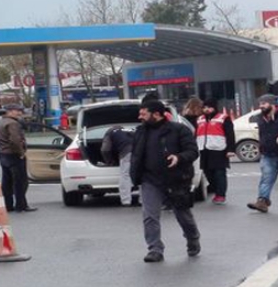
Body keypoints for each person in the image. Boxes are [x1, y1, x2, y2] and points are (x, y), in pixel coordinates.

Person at [130, 100, 201, 263]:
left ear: (156, 114)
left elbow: (192, 151)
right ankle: (155, 249)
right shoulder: (141, 132)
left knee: (182, 214)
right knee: (150, 215)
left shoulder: (179, 130)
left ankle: (193, 238)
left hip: (175, 179)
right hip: (149, 180)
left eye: (143, 113)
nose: (140, 116)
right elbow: (136, 154)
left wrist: (179, 157)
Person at [0, 104, 37, 213]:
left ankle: (8, 205)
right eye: (18, 111)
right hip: (14, 155)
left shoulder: (0, 123)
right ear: (10, 111)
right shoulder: (13, 123)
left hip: (3, 154)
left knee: (7, 181)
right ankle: (21, 205)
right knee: (20, 182)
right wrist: (21, 153)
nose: (20, 113)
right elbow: (15, 141)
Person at [196, 98, 236, 205]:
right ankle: (215, 190)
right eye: (204, 107)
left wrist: (230, 149)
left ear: (214, 107)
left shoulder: (223, 118)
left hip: (219, 149)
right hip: (203, 149)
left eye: (209, 107)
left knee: (219, 173)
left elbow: (230, 134)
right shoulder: (200, 119)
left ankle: (221, 195)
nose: (206, 109)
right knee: (207, 172)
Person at [101, 125, 135, 206]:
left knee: (125, 175)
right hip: (141, 152)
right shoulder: (130, 130)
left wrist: (109, 162)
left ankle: (126, 201)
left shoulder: (110, 132)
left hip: (127, 152)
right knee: (142, 175)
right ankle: (143, 200)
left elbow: (105, 149)